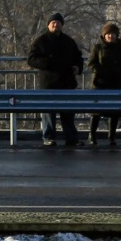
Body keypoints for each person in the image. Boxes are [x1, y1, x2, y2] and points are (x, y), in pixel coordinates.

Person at [27, 13, 84, 148]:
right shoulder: (41, 41)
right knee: (48, 112)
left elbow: (78, 58)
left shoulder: (68, 41)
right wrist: (48, 63)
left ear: (62, 25)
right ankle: (48, 137)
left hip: (67, 82)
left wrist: (77, 67)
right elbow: (31, 59)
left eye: (58, 22)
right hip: (49, 83)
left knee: (68, 113)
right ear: (48, 25)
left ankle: (71, 138)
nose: (55, 24)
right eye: (53, 22)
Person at [86, 22, 121, 149]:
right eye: (108, 34)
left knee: (114, 111)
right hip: (99, 84)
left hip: (116, 83)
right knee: (96, 112)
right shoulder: (98, 48)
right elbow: (91, 63)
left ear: (116, 36)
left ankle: (112, 136)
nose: (110, 36)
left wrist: (116, 71)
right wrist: (101, 71)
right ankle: (92, 136)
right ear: (104, 35)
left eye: (113, 34)